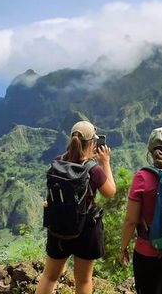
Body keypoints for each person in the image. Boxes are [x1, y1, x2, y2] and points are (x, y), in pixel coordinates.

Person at [36, 120, 116, 294]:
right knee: (83, 280)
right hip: (86, 229)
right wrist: (105, 162)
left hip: (58, 226)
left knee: (49, 276)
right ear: (93, 143)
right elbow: (110, 192)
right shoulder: (94, 170)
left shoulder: (57, 162)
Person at [119, 127, 162, 294]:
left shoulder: (142, 178)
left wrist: (123, 248)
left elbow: (130, 221)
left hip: (149, 253)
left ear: (149, 150)